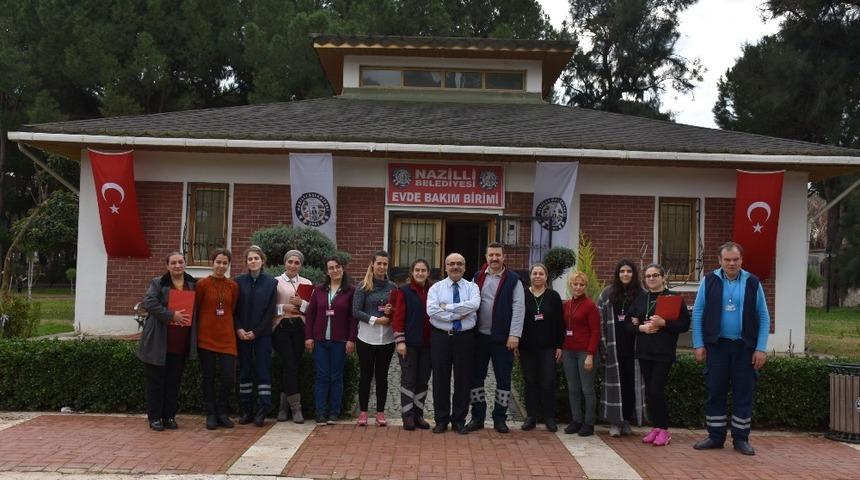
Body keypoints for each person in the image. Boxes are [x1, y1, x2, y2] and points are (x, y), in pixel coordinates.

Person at [692, 242, 770, 456]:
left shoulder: (753, 282)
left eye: (735, 259)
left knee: (743, 393)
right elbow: (698, 312)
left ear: (741, 260)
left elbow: (763, 316)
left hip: (745, 347)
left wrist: (761, 348)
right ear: (720, 261)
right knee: (715, 391)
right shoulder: (709, 281)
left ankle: (741, 439)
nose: (731, 263)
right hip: (717, 346)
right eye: (727, 260)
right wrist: (698, 343)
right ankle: (715, 437)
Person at [626, 263, 690, 446]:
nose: (651, 279)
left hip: (663, 352)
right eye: (648, 276)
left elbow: (684, 325)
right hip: (645, 351)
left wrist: (664, 323)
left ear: (663, 277)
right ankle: (656, 428)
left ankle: (664, 430)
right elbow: (627, 325)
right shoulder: (640, 299)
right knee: (649, 391)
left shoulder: (674, 298)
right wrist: (641, 327)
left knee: (656, 390)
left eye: (655, 275)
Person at [466, 242, 525, 434]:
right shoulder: (477, 277)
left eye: (498, 255)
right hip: (479, 337)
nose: (494, 259)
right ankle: (477, 417)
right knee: (476, 378)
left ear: (504, 257)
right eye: (491, 255)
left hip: (503, 339)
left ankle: (500, 417)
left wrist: (514, 335)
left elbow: (518, 308)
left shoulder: (514, 279)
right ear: (486, 257)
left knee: (503, 379)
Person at [137, 252, 195, 431]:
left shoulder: (193, 284)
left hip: (180, 342)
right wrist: (172, 315)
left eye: (181, 262)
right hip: (159, 341)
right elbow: (149, 303)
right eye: (173, 263)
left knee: (173, 382)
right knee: (156, 382)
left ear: (185, 264)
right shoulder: (158, 283)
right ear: (167, 266)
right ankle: (155, 418)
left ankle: (169, 416)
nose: (177, 266)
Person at [427, 252, 480, 434]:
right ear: (445, 266)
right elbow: (432, 311)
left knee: (463, 379)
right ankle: (441, 420)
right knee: (440, 379)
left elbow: (474, 305)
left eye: (459, 263)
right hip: (441, 337)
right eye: (451, 264)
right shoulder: (436, 288)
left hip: (465, 338)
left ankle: (458, 419)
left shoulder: (472, 288)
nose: (455, 267)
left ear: (465, 267)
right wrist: (458, 313)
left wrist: (447, 308)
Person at [305, 256, 357, 425]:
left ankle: (334, 413)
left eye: (337, 267)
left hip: (339, 341)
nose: (334, 270)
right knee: (321, 376)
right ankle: (320, 413)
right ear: (326, 271)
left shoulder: (351, 291)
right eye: (331, 268)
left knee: (336, 377)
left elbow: (353, 318)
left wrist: (351, 339)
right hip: (320, 340)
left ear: (343, 269)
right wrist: (309, 337)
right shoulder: (319, 290)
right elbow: (311, 315)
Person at [598, 259, 646, 437]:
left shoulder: (642, 294)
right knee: (613, 386)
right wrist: (603, 347)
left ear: (634, 274)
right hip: (613, 348)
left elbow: (649, 316)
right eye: (622, 271)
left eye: (629, 271)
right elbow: (600, 322)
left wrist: (640, 320)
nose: (625, 274)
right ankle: (614, 423)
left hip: (634, 348)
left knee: (630, 386)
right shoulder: (607, 294)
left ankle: (626, 420)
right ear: (617, 274)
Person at [193, 248, 239, 430]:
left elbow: (232, 309)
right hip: (206, 337)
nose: (221, 266)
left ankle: (222, 412)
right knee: (209, 377)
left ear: (228, 265)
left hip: (227, 338)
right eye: (218, 262)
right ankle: (211, 414)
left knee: (228, 377)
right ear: (212, 263)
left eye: (224, 263)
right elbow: (197, 308)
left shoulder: (233, 286)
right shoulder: (202, 285)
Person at [234, 245, 278, 427]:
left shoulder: (271, 283)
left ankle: (262, 409)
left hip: (262, 335)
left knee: (262, 371)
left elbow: (270, 312)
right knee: (244, 371)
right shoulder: (238, 282)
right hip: (242, 334)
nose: (253, 261)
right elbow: (233, 309)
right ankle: (246, 410)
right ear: (246, 262)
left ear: (262, 261)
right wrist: (239, 329)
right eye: (250, 259)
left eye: (256, 258)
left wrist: (257, 331)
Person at [352, 251, 397, 426]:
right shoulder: (363, 286)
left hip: (386, 339)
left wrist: (390, 312)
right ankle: (363, 412)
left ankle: (380, 412)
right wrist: (377, 320)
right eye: (379, 263)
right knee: (365, 375)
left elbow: (397, 310)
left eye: (385, 264)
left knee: (382, 376)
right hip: (366, 338)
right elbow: (356, 311)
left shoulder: (393, 287)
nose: (382, 267)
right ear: (372, 264)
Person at [519, 263, 564, 432]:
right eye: (535, 273)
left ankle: (550, 417)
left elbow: (560, 322)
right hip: (527, 347)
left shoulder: (553, 296)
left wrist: (560, 345)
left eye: (541, 273)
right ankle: (531, 417)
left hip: (548, 347)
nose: (537, 276)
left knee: (548, 382)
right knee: (530, 381)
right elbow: (516, 319)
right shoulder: (522, 295)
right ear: (530, 276)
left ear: (546, 277)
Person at [391, 258, 433, 431]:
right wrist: (400, 341)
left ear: (428, 273)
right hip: (409, 344)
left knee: (423, 380)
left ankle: (418, 415)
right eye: (417, 270)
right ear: (412, 272)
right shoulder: (404, 291)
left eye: (423, 270)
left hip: (429, 345)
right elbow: (398, 317)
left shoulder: (434, 291)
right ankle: (407, 416)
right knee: (408, 380)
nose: (420, 273)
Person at [273, 250, 313, 423]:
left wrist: (301, 304)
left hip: (299, 327)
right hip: (281, 327)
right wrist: (284, 308)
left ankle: (283, 408)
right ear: (285, 263)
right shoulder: (275, 282)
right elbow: (268, 308)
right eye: (290, 261)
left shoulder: (306, 283)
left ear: (300, 265)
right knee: (290, 363)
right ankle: (296, 409)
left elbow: (312, 309)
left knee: (292, 366)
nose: (293, 265)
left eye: (297, 263)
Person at [561, 271, 600, 436]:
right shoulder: (567, 305)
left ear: (585, 286)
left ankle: (589, 423)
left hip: (585, 352)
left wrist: (590, 354)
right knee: (573, 388)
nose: (578, 287)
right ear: (570, 286)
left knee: (587, 389)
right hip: (568, 351)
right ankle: (576, 420)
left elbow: (596, 331)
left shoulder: (590, 306)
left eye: (581, 284)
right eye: (575, 284)